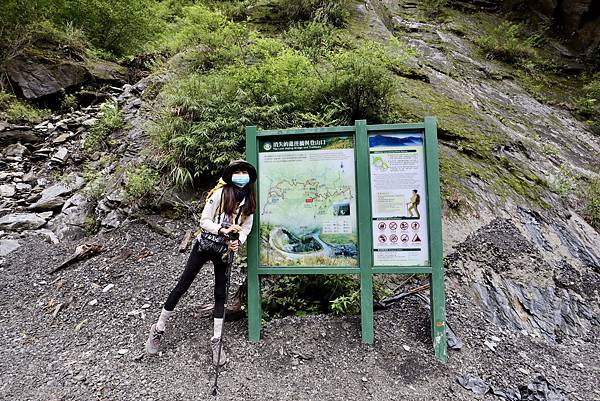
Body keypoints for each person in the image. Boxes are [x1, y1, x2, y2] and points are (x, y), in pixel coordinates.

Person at [145, 160, 257, 366]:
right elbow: (204, 221)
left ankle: (216, 339)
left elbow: (247, 227)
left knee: (220, 294)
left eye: (244, 172)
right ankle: (159, 327)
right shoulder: (220, 193)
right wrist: (223, 230)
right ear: (231, 174)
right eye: (238, 172)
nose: (241, 175)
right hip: (204, 245)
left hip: (224, 251)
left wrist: (238, 242)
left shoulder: (249, 200)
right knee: (183, 285)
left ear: (249, 176)